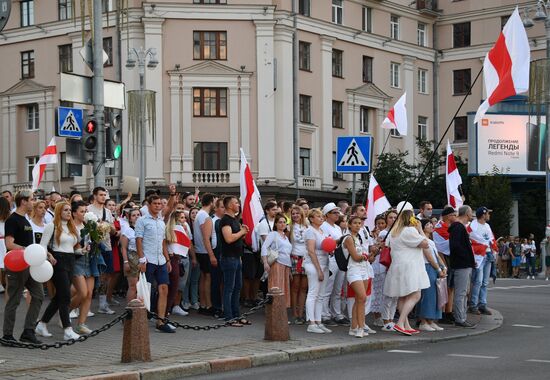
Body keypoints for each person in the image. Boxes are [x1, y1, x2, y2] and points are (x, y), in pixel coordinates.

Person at [2, 189, 44, 344]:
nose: (34, 202)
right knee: (14, 300)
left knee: (39, 295)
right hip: (16, 265)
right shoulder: (12, 220)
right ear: (24, 201)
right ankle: (7, 335)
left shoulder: (25, 219)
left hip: (29, 264)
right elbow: (9, 244)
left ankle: (28, 331)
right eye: (32, 199)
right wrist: (28, 250)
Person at [35, 202, 80, 341]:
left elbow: (73, 246)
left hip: (71, 260)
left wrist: (81, 250)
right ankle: (67, 329)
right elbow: (42, 245)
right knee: (65, 296)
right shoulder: (52, 226)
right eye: (65, 210)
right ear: (59, 211)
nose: (68, 212)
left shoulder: (72, 227)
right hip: (57, 261)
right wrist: (49, 255)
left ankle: (42, 324)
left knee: (59, 296)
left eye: (70, 210)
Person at [383, 205, 430, 336]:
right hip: (410, 267)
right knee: (415, 295)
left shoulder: (394, 231)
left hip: (398, 266)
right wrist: (420, 230)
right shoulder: (409, 231)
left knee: (403, 296)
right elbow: (426, 244)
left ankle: (405, 325)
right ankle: (400, 322)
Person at [135, 194, 174, 333]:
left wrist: (167, 259)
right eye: (155, 203)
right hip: (148, 259)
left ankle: (161, 320)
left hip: (160, 260)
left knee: (164, 288)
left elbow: (162, 242)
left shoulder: (161, 221)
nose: (158, 206)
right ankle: (138, 318)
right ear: (149, 205)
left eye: (159, 203)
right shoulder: (142, 220)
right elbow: (138, 240)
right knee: (145, 290)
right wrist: (141, 259)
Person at [70, 200, 102, 334]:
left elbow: (95, 241)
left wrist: (98, 234)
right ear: (74, 213)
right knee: (82, 292)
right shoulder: (71, 227)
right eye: (81, 211)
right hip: (77, 261)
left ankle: (81, 324)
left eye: (85, 211)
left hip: (90, 261)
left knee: (89, 294)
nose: (84, 214)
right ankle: (64, 313)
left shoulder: (89, 226)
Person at [220, 195, 249, 325]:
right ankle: (229, 317)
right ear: (230, 205)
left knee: (237, 287)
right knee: (229, 288)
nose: (238, 205)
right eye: (236, 203)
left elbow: (236, 238)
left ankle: (237, 314)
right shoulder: (225, 220)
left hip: (237, 257)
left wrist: (242, 234)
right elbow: (229, 238)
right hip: (228, 258)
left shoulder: (235, 220)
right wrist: (241, 232)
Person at [87, 187, 116, 315]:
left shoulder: (107, 212)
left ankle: (103, 304)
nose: (103, 197)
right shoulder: (88, 209)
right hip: (92, 246)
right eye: (101, 195)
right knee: (91, 275)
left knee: (107, 275)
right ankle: (84, 305)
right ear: (94, 195)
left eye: (105, 195)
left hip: (106, 245)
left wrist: (108, 226)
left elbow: (114, 229)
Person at [304, 209, 331, 334]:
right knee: (313, 293)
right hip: (313, 264)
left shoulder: (322, 231)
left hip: (325, 263)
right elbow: (311, 251)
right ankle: (311, 323)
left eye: (322, 216)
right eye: (318, 216)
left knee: (321, 295)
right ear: (311, 219)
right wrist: (319, 269)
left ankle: (319, 321)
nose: (321, 218)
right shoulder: (310, 231)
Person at [449, 205, 477, 328]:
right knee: (461, 292)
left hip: (464, 263)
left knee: (464, 292)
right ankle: (460, 318)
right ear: (466, 213)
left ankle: (462, 317)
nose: (472, 215)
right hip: (462, 264)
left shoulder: (458, 227)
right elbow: (456, 246)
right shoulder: (458, 227)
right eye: (471, 212)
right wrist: (467, 257)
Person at [320, 202, 347, 326]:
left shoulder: (337, 227)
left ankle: (336, 313)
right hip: (330, 259)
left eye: (338, 212)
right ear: (327, 214)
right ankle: (324, 314)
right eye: (334, 213)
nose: (337, 215)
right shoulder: (323, 226)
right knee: (328, 288)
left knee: (338, 289)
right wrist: (338, 241)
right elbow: (325, 243)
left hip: (339, 259)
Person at [343, 216, 371, 338]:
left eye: (359, 223)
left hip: (364, 269)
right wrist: (364, 256)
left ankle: (353, 327)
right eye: (355, 223)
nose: (358, 225)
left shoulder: (358, 237)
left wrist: (371, 253)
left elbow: (365, 256)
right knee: (362, 297)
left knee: (359, 300)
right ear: (349, 225)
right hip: (353, 270)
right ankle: (361, 326)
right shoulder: (348, 238)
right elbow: (355, 256)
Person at [417, 219, 446, 332]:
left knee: (435, 295)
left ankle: (431, 320)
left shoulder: (431, 241)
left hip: (434, 268)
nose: (430, 225)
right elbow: (428, 256)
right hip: (427, 267)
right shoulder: (422, 240)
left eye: (430, 223)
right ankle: (423, 321)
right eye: (427, 224)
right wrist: (438, 268)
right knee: (428, 295)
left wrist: (443, 267)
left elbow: (436, 255)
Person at [373, 210, 399, 332]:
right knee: (387, 294)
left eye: (395, 217)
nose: (393, 219)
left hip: (397, 265)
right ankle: (385, 320)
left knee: (395, 295)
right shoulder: (384, 233)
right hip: (386, 265)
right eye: (390, 217)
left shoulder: (398, 232)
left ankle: (391, 319)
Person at [165, 210, 193, 316]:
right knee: (171, 285)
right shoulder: (170, 229)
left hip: (180, 259)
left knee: (178, 285)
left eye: (184, 218)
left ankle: (171, 307)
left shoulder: (183, 228)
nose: (184, 220)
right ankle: (165, 309)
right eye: (181, 218)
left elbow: (188, 243)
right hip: (172, 259)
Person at [261, 213, 292, 310]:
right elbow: (264, 247)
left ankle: (281, 313)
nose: (282, 224)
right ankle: (274, 312)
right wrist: (265, 262)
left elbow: (288, 253)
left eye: (284, 222)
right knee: (277, 287)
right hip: (277, 264)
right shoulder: (273, 234)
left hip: (286, 265)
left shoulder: (286, 237)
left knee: (284, 289)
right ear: (276, 224)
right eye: (280, 222)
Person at [468, 207, 496, 315]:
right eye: (488, 213)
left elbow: (491, 239)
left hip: (488, 254)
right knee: (478, 281)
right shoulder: (473, 226)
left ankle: (482, 304)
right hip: (479, 255)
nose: (489, 215)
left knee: (484, 282)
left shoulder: (487, 226)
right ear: (483, 215)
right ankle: (473, 305)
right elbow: (470, 238)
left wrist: (493, 249)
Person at [193, 193, 217, 315]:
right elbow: (206, 238)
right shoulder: (205, 217)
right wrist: (212, 255)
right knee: (207, 278)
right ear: (211, 202)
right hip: (205, 251)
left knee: (203, 277)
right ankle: (208, 305)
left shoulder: (200, 214)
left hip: (200, 250)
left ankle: (203, 304)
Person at [433, 206, 457, 324]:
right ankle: (442, 312)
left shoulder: (452, 228)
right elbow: (439, 247)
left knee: (451, 287)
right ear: (448, 216)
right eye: (454, 215)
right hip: (443, 259)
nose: (455, 217)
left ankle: (449, 311)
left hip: (452, 258)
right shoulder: (438, 228)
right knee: (444, 287)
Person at [289, 205, 308, 324]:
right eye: (293, 213)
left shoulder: (308, 226)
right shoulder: (289, 227)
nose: (295, 215)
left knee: (304, 288)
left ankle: (301, 313)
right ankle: (295, 314)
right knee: (295, 286)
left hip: (307, 258)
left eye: (297, 213)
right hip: (295, 257)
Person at [120, 208, 141, 302]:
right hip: (132, 257)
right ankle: (130, 310)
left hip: (143, 258)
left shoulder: (145, 229)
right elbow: (123, 248)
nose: (136, 217)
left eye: (138, 215)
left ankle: (139, 309)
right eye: (134, 215)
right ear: (130, 218)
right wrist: (126, 262)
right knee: (133, 286)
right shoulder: (128, 230)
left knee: (142, 285)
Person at [183, 207, 200, 310]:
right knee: (187, 280)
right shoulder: (187, 227)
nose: (194, 214)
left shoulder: (202, 225)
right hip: (188, 255)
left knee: (195, 279)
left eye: (197, 212)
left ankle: (194, 301)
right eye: (192, 213)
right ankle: (185, 300)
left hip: (199, 254)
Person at [0, 197, 10, 294]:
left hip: (3, 241)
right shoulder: (9, 218)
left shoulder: (8, 218)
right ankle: (5, 283)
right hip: (5, 241)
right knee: (4, 263)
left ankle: (1, 284)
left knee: (1, 264)